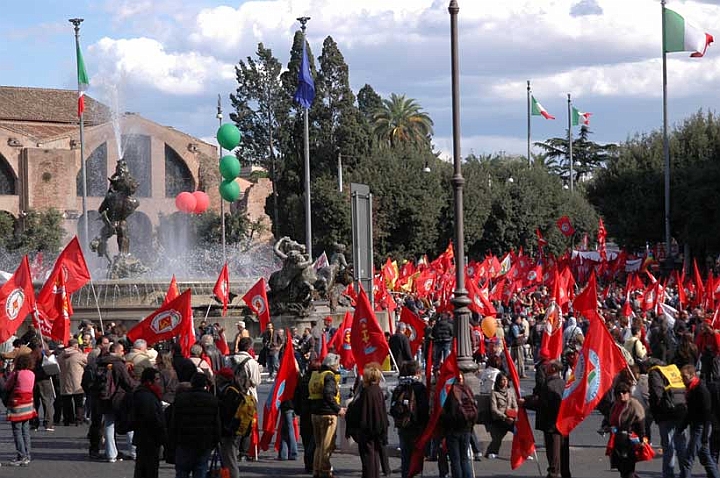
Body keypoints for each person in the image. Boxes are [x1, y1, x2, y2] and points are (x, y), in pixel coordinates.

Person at [522, 359, 570, 478]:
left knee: (553, 454)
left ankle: (553, 474)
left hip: (551, 424)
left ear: (553, 369)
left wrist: (525, 403)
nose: (545, 368)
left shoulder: (549, 386)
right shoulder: (564, 384)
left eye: (547, 366)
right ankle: (565, 473)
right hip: (563, 424)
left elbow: (542, 403)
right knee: (563, 454)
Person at [170, 372, 221, 478]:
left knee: (182, 471)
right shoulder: (212, 400)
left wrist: (173, 440)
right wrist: (215, 441)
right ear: (205, 384)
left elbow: (175, 422)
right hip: (204, 441)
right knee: (200, 469)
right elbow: (216, 423)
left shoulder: (181, 399)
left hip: (184, 440)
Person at [309, 353, 346, 478]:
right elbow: (328, 395)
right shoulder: (329, 376)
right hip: (328, 414)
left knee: (319, 445)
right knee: (327, 445)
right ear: (333, 364)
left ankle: (316, 470)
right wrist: (338, 409)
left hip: (315, 413)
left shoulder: (316, 374)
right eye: (337, 364)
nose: (339, 366)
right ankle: (325, 471)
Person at [679, 364, 719, 478]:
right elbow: (690, 412)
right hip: (695, 425)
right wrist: (682, 426)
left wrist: (705, 436)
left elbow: (707, 415)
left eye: (684, 376)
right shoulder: (691, 388)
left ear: (692, 375)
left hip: (701, 427)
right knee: (705, 457)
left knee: (688, 459)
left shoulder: (701, 390)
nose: (682, 379)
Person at [392, 360, 429, 478]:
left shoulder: (399, 387)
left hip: (403, 426)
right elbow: (424, 409)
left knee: (405, 457)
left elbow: (393, 408)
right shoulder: (419, 387)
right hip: (417, 427)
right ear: (417, 372)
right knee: (417, 457)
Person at [352, 362, 389, 478]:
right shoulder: (377, 390)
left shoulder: (367, 391)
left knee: (368, 458)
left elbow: (361, 411)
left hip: (367, 429)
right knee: (374, 456)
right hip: (377, 428)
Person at [131, 367, 166, 478]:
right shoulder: (146, 395)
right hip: (148, 437)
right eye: (157, 379)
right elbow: (151, 418)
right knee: (148, 467)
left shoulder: (147, 393)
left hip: (146, 437)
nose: (159, 381)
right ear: (149, 381)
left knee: (144, 466)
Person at [608, 381, 645, 478]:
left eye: (624, 392)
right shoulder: (615, 405)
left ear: (629, 393)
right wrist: (605, 427)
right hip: (617, 441)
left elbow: (641, 422)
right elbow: (609, 420)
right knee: (621, 469)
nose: (621, 395)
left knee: (628, 470)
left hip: (630, 441)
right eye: (618, 393)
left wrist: (642, 439)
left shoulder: (634, 404)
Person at [5, 353, 37, 466]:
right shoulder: (32, 374)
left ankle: (21, 455)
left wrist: (9, 372)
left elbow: (7, 386)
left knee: (17, 431)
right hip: (28, 404)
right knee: (25, 431)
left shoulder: (16, 374)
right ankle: (27, 455)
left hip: (17, 405)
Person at [296, 358, 322, 473]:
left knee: (307, 440)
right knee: (315, 440)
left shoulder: (302, 380)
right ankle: (313, 463)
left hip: (304, 414)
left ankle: (308, 464)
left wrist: (298, 411)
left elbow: (296, 397)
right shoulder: (319, 380)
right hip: (315, 412)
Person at [486, 372, 518, 459]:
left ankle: (521, 451)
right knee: (514, 428)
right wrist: (505, 417)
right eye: (503, 380)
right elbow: (494, 409)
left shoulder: (511, 391)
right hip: (499, 418)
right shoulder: (494, 393)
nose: (505, 382)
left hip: (511, 417)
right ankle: (493, 451)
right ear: (498, 381)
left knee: (520, 430)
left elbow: (515, 406)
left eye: (506, 380)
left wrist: (513, 414)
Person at [57, 338, 88, 426]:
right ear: (76, 345)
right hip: (77, 382)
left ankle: (67, 419)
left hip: (64, 382)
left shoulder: (61, 355)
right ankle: (78, 419)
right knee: (78, 402)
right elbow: (87, 363)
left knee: (66, 402)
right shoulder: (78, 355)